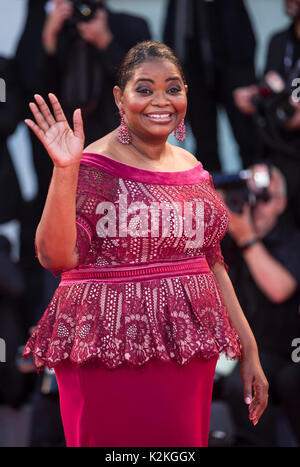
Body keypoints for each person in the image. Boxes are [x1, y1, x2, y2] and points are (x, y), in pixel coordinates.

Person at [22, 40, 268, 448]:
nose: (161, 100)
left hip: (187, 354)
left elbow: (212, 262)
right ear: (120, 98)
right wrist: (65, 170)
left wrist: (250, 350)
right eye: (144, 88)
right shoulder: (92, 165)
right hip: (105, 349)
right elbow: (55, 257)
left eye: (173, 88)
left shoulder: (193, 168)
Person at [34, 0, 151, 217]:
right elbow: (38, 92)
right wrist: (49, 38)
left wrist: (106, 41)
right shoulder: (59, 29)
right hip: (67, 145)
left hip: (120, 144)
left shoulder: (131, 26)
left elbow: (145, 87)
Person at [221, 164, 300, 446]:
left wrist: (248, 239)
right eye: (249, 198)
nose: (256, 207)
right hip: (257, 350)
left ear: (282, 203)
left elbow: (279, 289)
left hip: (292, 349)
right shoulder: (231, 240)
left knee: (292, 380)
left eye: (264, 198)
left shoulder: (292, 238)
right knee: (238, 383)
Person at [163, 0, 259, 172]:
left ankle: (257, 190)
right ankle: (211, 194)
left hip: (234, 67)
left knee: (247, 138)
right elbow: (171, 37)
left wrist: (246, 76)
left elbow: (243, 31)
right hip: (193, 71)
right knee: (205, 145)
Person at [233, 0, 300, 227]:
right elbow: (268, 91)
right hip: (273, 153)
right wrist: (254, 95)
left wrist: (283, 100)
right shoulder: (279, 42)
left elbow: (292, 117)